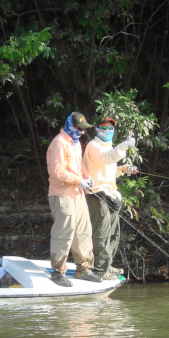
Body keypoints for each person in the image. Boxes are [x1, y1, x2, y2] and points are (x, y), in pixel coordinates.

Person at [46, 112, 103, 287]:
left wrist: (88, 177)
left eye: (84, 129)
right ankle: (58, 272)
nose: (82, 132)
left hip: (78, 194)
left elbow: (80, 166)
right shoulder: (59, 143)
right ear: (70, 125)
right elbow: (57, 172)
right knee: (64, 234)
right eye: (79, 128)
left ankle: (84, 269)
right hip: (62, 195)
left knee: (83, 232)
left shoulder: (76, 143)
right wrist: (79, 181)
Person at [83, 117, 136, 280]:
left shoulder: (108, 147)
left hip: (111, 195)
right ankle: (99, 269)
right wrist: (125, 144)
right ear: (97, 129)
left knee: (114, 233)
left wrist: (123, 169)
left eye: (110, 129)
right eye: (104, 128)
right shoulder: (93, 146)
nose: (107, 131)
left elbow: (108, 169)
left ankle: (107, 265)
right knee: (102, 233)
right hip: (97, 194)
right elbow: (107, 158)